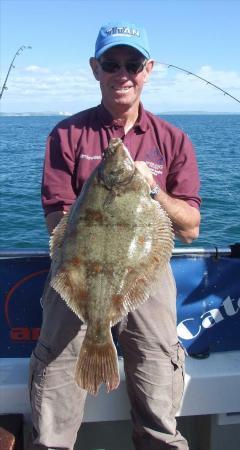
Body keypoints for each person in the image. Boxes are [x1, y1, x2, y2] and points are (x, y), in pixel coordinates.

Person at [29, 21, 201, 450]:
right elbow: (57, 222)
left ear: (148, 70)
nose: (122, 72)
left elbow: (190, 228)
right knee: (54, 392)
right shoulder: (67, 134)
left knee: (158, 385)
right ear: (96, 68)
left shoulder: (174, 140)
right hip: (79, 268)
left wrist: (152, 191)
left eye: (133, 63)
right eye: (111, 63)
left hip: (147, 273)